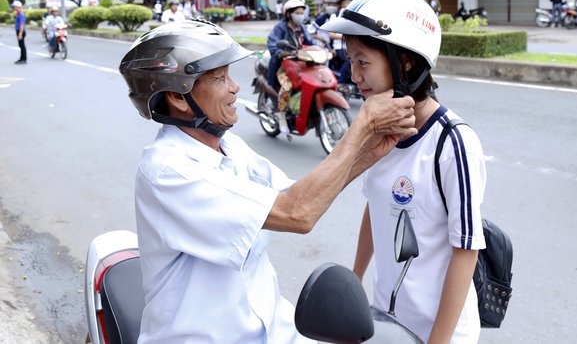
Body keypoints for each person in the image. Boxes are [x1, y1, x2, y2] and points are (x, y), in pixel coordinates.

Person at [118, 19, 418, 343]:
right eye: (220, 78)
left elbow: (297, 194)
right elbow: (297, 213)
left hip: (275, 331)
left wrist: (369, 153)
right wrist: (362, 126)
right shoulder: (170, 171)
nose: (235, 87)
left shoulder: (228, 147)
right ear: (178, 97)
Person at [322, 0, 486, 344]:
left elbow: (466, 249)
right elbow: (375, 206)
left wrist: (438, 342)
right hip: (385, 322)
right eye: (351, 61)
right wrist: (355, 279)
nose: (354, 75)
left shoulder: (453, 143)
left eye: (363, 62)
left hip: (439, 332)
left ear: (405, 62)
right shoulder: (379, 132)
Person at [266, 0, 315, 134]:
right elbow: (272, 43)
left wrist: (323, 50)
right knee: (287, 87)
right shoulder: (280, 28)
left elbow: (311, 42)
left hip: (300, 64)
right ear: (288, 14)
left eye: (302, 13)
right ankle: (282, 116)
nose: (300, 15)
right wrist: (280, 52)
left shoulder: (302, 28)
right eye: (297, 13)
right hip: (284, 66)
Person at [327, 0, 354, 84]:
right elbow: (331, 34)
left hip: (351, 46)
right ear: (340, 3)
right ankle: (340, 83)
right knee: (350, 60)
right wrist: (344, 36)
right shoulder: (334, 16)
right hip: (339, 47)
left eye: (349, 1)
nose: (347, 4)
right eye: (344, 1)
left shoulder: (354, 16)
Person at [12, 1, 27, 65]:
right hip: (18, 31)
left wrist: (20, 34)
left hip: (21, 31)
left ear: (18, 7)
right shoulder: (18, 14)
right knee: (20, 46)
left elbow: (21, 25)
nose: (14, 8)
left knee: (22, 46)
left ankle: (24, 59)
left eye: (15, 7)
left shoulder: (21, 14)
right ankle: (21, 58)